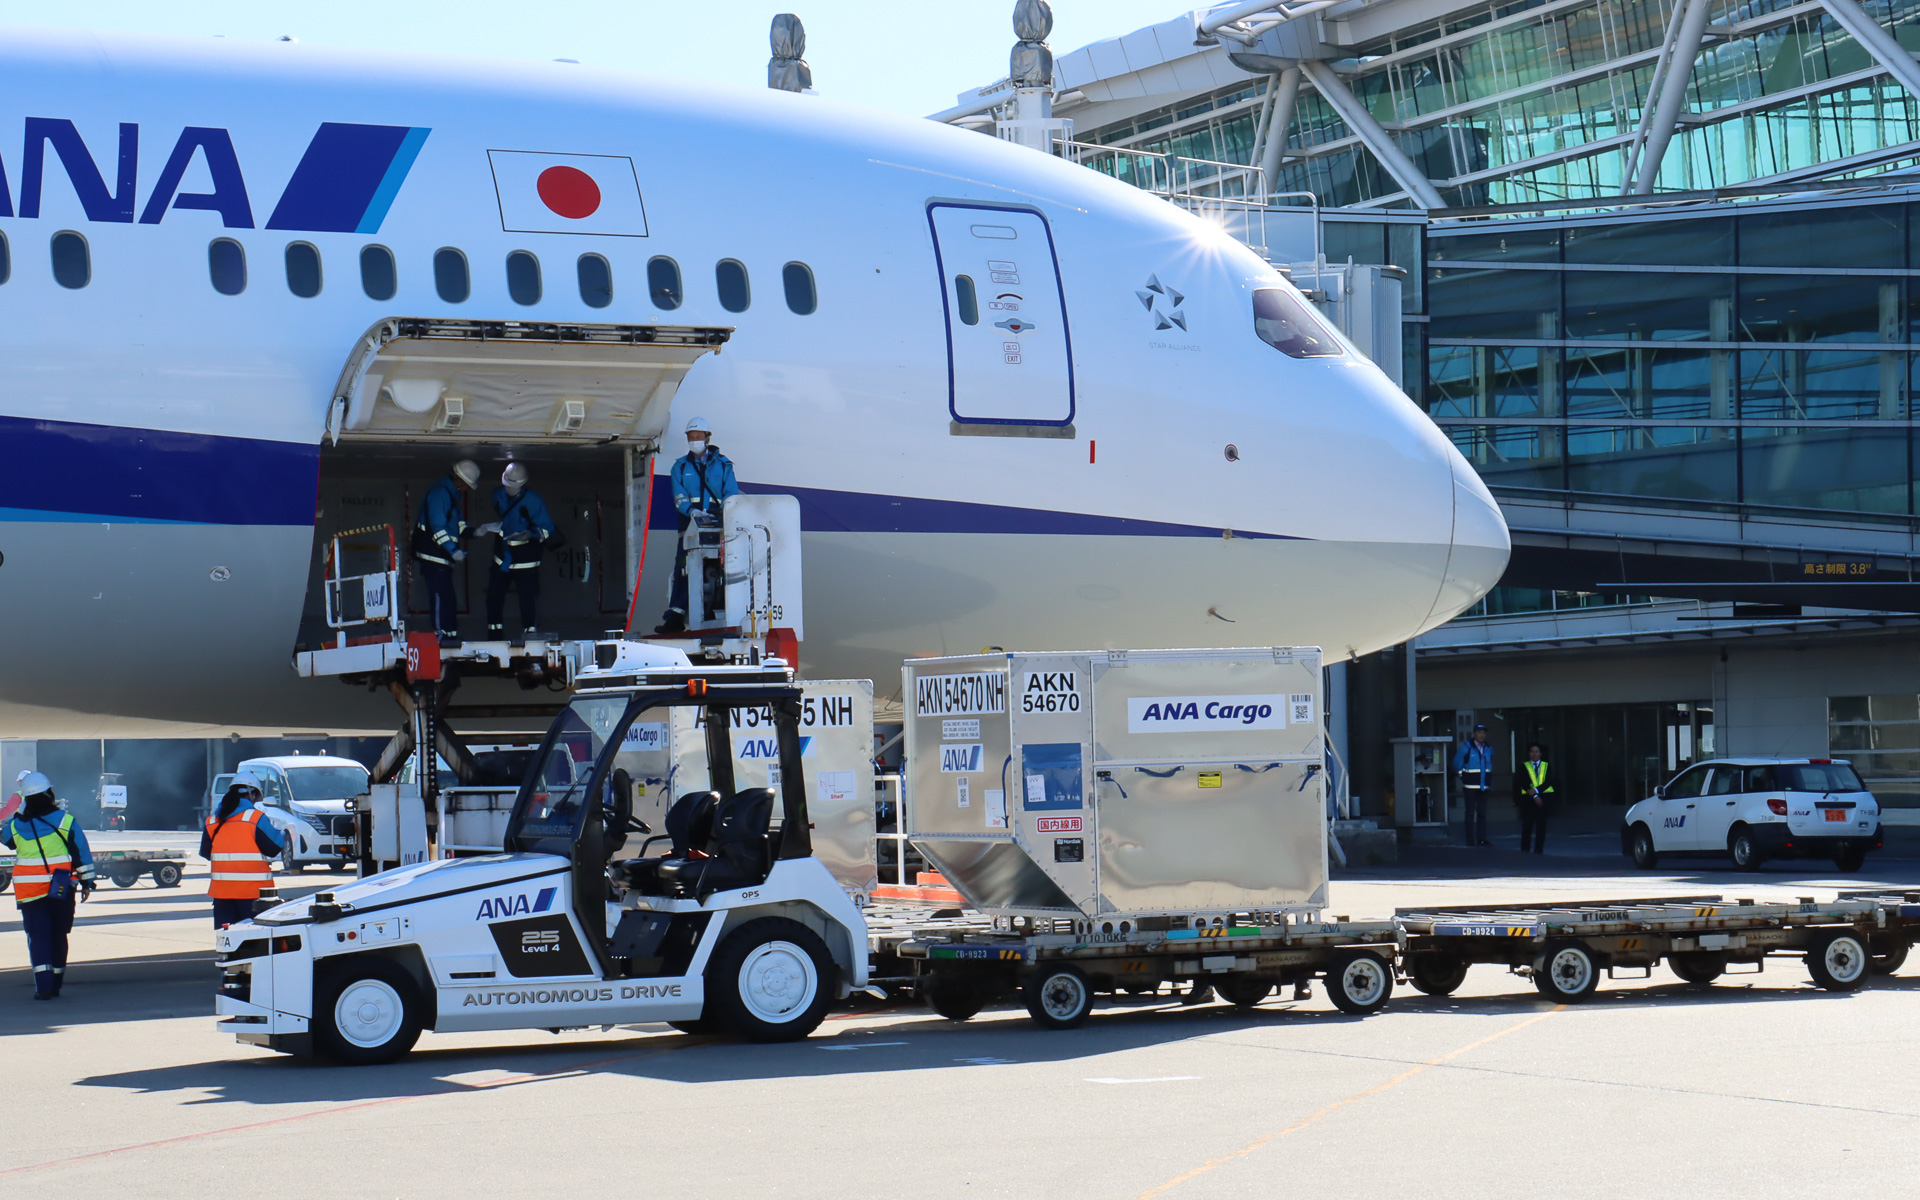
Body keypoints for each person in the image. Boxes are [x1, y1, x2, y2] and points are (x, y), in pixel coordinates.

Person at [1, 772, 94, 999]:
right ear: (49, 793)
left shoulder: (16, 826)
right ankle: (57, 983)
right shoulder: (66, 820)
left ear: (27, 798)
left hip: (29, 891)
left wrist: (19, 812)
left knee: (38, 936)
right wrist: (86, 882)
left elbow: (6, 839)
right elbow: (81, 853)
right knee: (58, 935)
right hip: (60, 888)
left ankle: (43, 988)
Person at [655, 418, 740, 634]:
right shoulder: (680, 466)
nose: (694, 441)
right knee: (683, 567)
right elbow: (679, 496)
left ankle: (712, 610)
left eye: (698, 437)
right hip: (690, 522)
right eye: (690, 437)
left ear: (707, 437)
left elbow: (731, 493)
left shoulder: (723, 465)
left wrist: (723, 512)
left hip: (718, 520)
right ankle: (675, 617)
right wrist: (691, 511)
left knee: (717, 566)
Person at [200, 768, 286, 929]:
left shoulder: (212, 821)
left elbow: (206, 852)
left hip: (222, 895)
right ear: (252, 794)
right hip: (255, 896)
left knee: (227, 941)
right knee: (256, 943)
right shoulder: (255, 818)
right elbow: (274, 847)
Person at [482, 462, 555, 641]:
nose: (510, 490)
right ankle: (494, 630)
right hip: (503, 556)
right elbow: (503, 517)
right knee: (494, 595)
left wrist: (529, 534)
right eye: (508, 485)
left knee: (527, 596)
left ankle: (530, 630)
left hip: (526, 558)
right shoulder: (498, 495)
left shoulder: (534, 500)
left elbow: (547, 529)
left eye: (513, 486)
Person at [412, 459, 479, 644]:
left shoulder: (451, 496)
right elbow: (438, 528)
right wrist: (453, 550)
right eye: (467, 486)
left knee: (448, 596)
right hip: (433, 554)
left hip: (442, 556)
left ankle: (450, 633)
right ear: (460, 481)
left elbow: (458, 526)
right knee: (440, 595)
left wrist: (476, 532)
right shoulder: (440, 494)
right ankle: (441, 634)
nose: (467, 490)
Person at [1453, 723, 1495, 847]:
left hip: (1483, 786)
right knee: (1470, 813)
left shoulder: (1488, 748)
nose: (1482, 735)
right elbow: (1457, 764)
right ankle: (1470, 840)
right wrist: (1463, 776)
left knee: (1482, 813)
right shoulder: (1466, 748)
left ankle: (1481, 839)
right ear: (1474, 734)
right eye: (1479, 732)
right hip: (1470, 785)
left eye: (1483, 733)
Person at [1517, 742, 1552, 854]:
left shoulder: (1546, 766)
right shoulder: (1524, 766)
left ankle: (1539, 849)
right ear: (1529, 753)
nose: (1534, 754)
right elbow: (1523, 782)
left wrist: (1536, 791)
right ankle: (1525, 849)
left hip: (1543, 799)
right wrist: (1534, 795)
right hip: (1528, 800)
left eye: (1536, 751)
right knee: (1527, 826)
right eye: (1532, 752)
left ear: (1540, 753)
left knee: (1541, 826)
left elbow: (1548, 782)